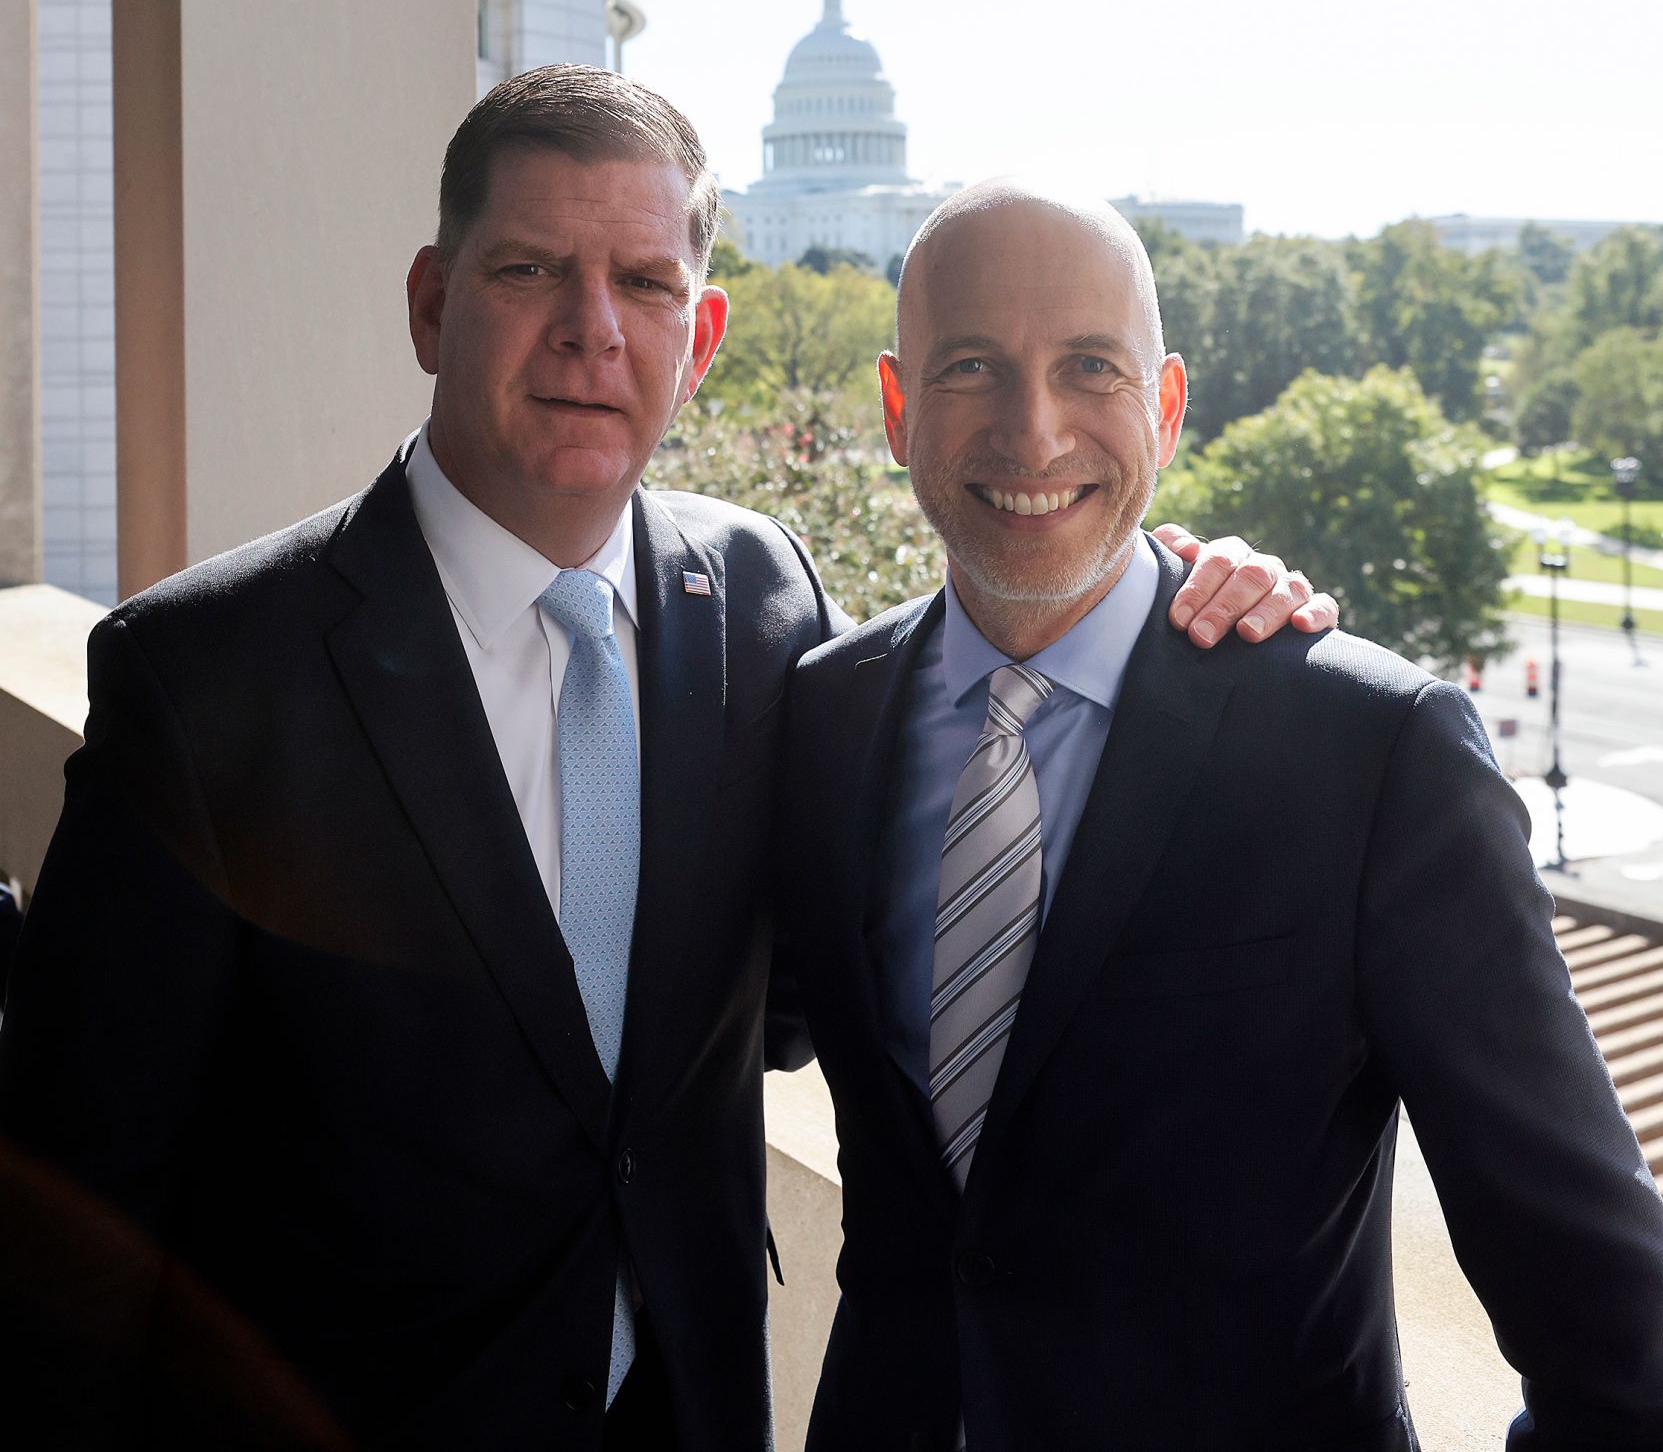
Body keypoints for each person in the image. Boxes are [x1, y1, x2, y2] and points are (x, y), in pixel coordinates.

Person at [0, 70, 1330, 1451]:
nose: (592, 330)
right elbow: (72, 1210)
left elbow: (821, 983)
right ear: (432, 304)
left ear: (699, 339)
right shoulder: (208, 675)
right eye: (530, 270)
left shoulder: (763, 600)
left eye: (643, 283)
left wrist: (1166, 583)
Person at [777, 179, 1663, 1452]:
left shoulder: (1371, 750)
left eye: (1090, 366)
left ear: (1166, 405)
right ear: (894, 406)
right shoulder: (820, 717)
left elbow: (1613, 1328)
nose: (1033, 430)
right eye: (971, 365)